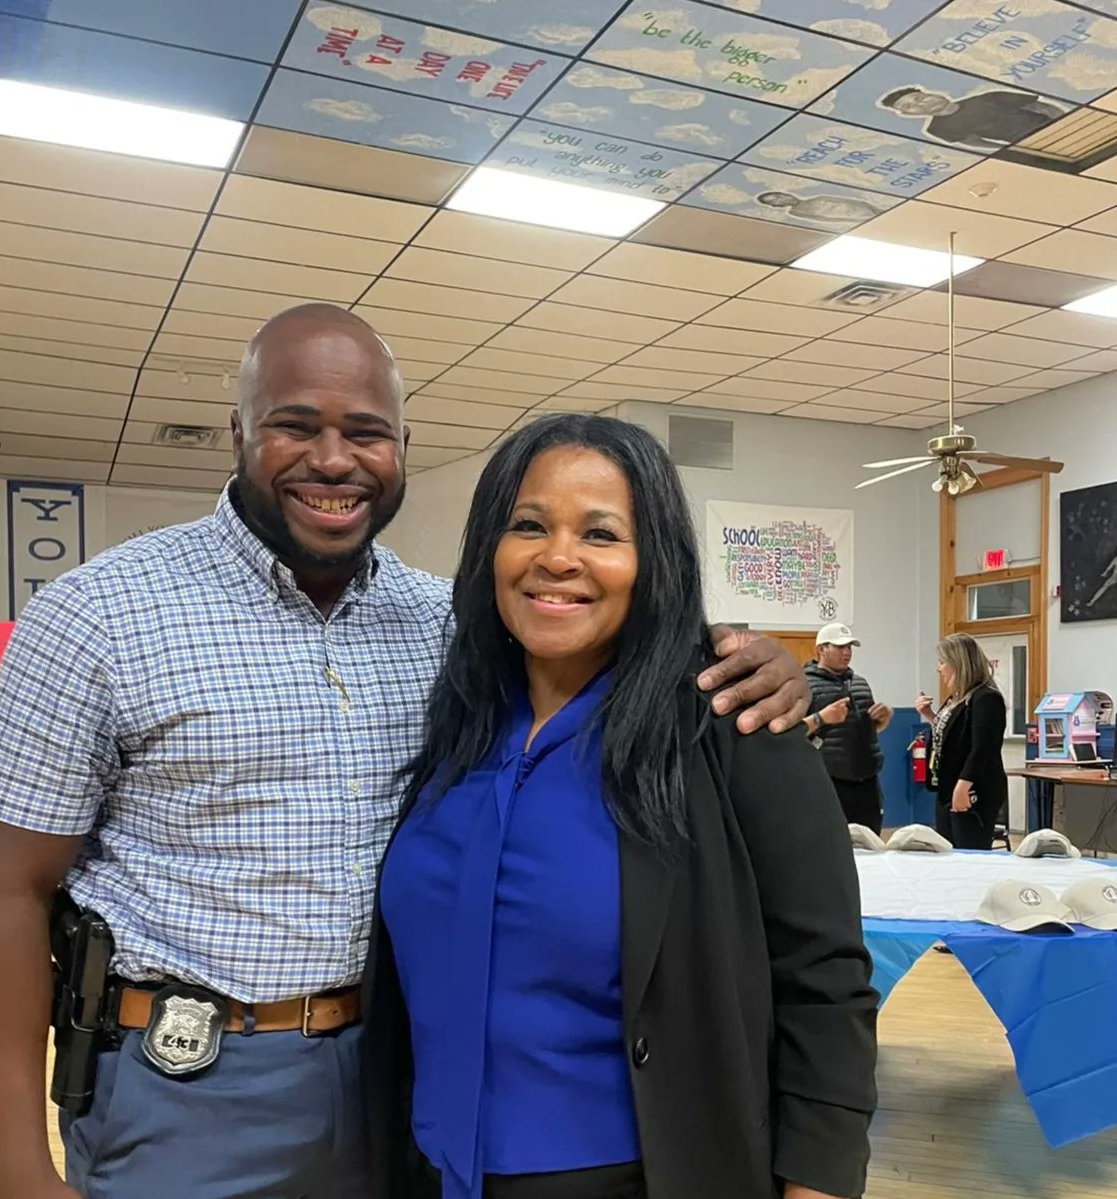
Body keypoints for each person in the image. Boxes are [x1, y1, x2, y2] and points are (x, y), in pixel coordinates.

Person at [0, 304, 810, 1199]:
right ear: (238, 432)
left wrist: (753, 661)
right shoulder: (98, 615)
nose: (333, 460)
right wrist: (13, 1168)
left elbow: (606, 638)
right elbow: (3, 888)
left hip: (407, 1083)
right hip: (191, 1089)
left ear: (401, 445)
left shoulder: (452, 628)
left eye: (364, 432)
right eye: (294, 425)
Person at [364, 415, 878, 1199]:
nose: (557, 556)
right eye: (527, 525)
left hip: (633, 1175)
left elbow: (824, 979)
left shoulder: (733, 726)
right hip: (430, 1168)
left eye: (600, 533)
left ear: (652, 562)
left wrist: (817, 1183)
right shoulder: (455, 721)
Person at [915, 632, 1007, 850]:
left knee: (968, 851)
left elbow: (983, 747)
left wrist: (964, 785)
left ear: (958, 663)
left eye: (942, 662)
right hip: (947, 785)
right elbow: (952, 736)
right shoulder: (956, 697)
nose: (938, 669)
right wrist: (930, 716)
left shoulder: (986, 698)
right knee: (947, 850)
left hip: (973, 788)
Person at [803, 623, 892, 835]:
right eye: (840, 647)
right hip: (827, 782)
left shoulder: (860, 683)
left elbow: (871, 730)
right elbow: (792, 733)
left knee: (870, 842)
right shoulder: (804, 685)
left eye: (849, 647)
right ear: (821, 649)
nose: (847, 652)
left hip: (866, 783)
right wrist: (822, 718)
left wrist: (884, 718)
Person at [879, 85, 1067, 151]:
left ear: (933, 93)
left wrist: (1065, 125)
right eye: (908, 107)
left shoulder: (988, 98)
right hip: (1030, 145)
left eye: (919, 98)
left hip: (1054, 127)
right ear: (907, 115)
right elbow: (974, 142)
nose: (922, 104)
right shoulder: (936, 130)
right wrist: (1013, 150)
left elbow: (1043, 107)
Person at [755, 189, 881, 226]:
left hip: (868, 211)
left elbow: (853, 201)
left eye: (779, 195)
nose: (782, 198)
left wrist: (876, 210)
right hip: (861, 219)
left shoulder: (818, 198)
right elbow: (830, 220)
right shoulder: (797, 213)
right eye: (775, 200)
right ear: (775, 206)